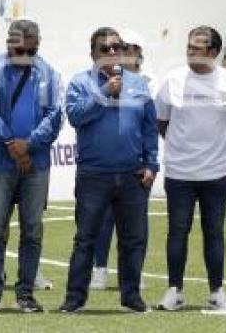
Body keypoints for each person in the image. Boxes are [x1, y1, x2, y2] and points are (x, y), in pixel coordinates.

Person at [59, 27, 158, 314]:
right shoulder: (80, 83)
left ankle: (131, 296)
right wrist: (104, 92)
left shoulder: (139, 83)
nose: (113, 53)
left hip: (132, 174)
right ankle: (75, 298)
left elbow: (149, 128)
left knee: (133, 239)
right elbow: (76, 117)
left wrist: (151, 164)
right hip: (94, 174)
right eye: (105, 49)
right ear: (93, 54)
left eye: (117, 47)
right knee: (85, 238)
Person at [0, 19, 62, 313]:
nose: (14, 46)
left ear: (36, 42)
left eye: (21, 42)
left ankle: (25, 294)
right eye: (10, 40)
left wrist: (29, 144)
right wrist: (11, 143)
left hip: (36, 162)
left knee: (32, 230)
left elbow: (55, 115)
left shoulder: (48, 73)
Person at [154, 26, 226, 312]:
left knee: (214, 232)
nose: (191, 51)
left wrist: (225, 153)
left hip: (217, 174)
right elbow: (161, 122)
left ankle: (217, 292)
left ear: (214, 53)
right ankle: (174, 291)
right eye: (189, 46)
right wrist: (180, 149)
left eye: (198, 47)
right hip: (179, 172)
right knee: (177, 231)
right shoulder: (172, 80)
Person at [90, 31, 149, 291]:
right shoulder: (97, 80)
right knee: (103, 222)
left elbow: (150, 125)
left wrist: (151, 162)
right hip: (102, 167)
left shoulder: (146, 82)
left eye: (129, 48)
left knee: (135, 227)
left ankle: (135, 273)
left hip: (134, 166)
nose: (124, 53)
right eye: (118, 48)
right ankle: (100, 269)